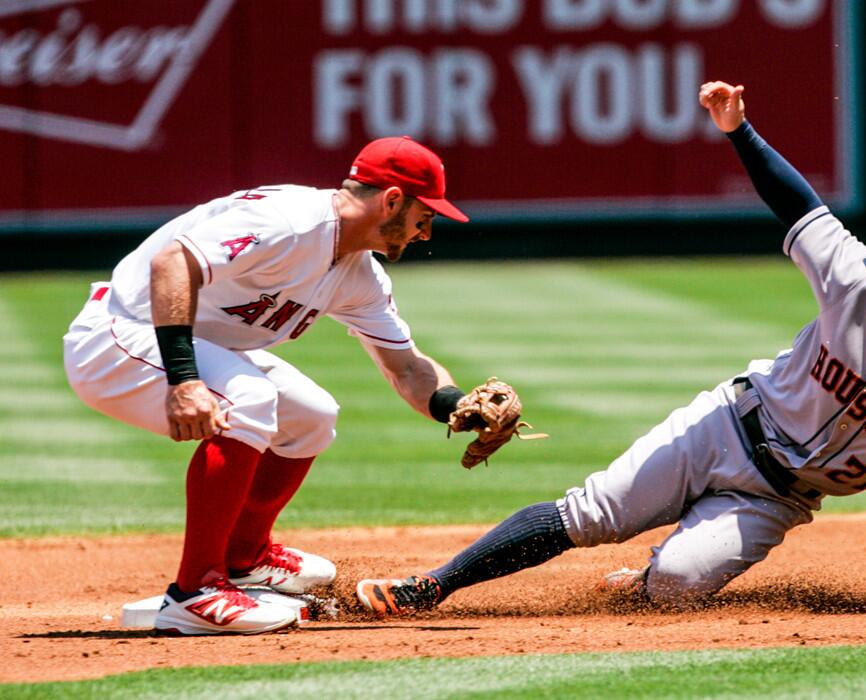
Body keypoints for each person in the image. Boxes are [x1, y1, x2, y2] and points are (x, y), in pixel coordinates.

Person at [355, 81, 866, 616]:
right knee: (591, 511)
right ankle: (428, 588)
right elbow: (797, 203)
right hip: (726, 425)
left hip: (771, 499)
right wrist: (739, 130)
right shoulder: (858, 283)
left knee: (672, 591)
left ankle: (646, 580)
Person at [63, 137, 525, 635]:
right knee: (250, 398)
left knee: (311, 414)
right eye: (423, 215)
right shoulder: (289, 222)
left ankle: (245, 559)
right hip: (119, 333)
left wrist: (458, 407)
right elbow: (172, 263)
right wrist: (184, 379)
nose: (426, 231)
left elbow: (407, 368)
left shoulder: (358, 275)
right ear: (392, 200)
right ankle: (195, 590)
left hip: (190, 342)